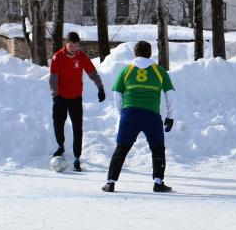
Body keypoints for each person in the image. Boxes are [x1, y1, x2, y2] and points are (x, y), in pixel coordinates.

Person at [102, 40, 175, 194]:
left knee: (121, 149)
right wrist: (170, 116)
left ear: (134, 54)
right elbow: (170, 94)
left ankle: (110, 182)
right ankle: (158, 182)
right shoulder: (159, 71)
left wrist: (121, 113)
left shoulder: (126, 70)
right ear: (150, 54)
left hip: (130, 114)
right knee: (158, 149)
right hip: (151, 116)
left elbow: (117, 93)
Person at [49, 31, 105, 172]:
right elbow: (53, 78)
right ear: (66, 44)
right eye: (70, 45)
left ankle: (77, 157)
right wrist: (55, 95)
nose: (73, 48)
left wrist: (100, 88)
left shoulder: (82, 57)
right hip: (60, 96)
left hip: (75, 97)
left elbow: (92, 73)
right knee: (58, 122)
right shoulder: (58, 57)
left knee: (77, 127)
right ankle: (61, 146)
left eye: (75, 46)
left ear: (78, 45)